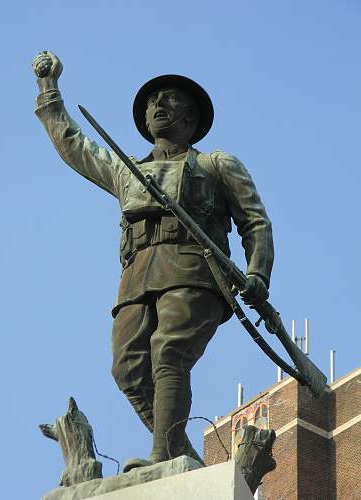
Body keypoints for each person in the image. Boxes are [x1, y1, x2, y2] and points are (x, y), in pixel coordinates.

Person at [32, 51, 274, 471]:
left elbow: (255, 223)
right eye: (152, 100)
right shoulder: (125, 170)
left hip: (194, 270)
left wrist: (257, 273)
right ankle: (178, 449)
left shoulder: (216, 164)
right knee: (127, 367)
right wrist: (48, 89)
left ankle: (163, 455)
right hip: (137, 276)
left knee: (170, 352)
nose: (159, 104)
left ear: (192, 117)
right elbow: (72, 144)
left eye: (170, 98)